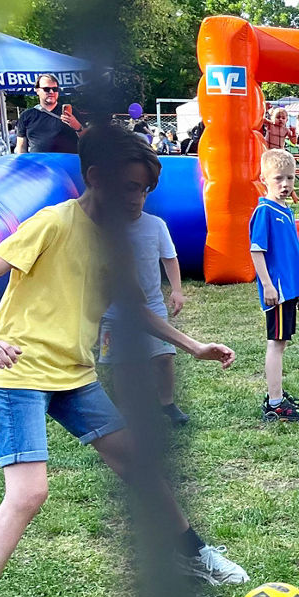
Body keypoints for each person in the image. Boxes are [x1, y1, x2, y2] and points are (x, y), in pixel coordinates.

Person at [0, 125, 251, 597]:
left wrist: (193, 346)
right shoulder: (55, 222)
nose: (138, 200)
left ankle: (190, 552)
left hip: (73, 374)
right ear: (96, 178)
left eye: (145, 190)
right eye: (129, 187)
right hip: (19, 371)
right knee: (27, 495)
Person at [97, 172, 191, 426]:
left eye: (138, 195)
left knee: (164, 357)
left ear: (145, 196)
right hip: (114, 312)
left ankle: (167, 403)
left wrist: (177, 290)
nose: (132, 201)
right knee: (120, 364)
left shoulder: (156, 225)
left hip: (152, 306)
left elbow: (169, 258)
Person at [250, 149, 299, 423]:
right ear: (264, 178)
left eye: (290, 178)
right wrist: (267, 285)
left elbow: (291, 255)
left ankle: (277, 393)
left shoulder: (285, 211)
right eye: (278, 178)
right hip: (276, 292)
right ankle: (275, 404)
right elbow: (257, 250)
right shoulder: (264, 211)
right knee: (275, 343)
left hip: (289, 291)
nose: (285, 184)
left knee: (282, 342)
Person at [15, 75, 82, 154]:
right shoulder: (26, 116)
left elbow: (89, 140)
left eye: (55, 89)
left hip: (67, 161)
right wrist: (24, 161)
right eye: (46, 89)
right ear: (37, 90)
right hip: (38, 161)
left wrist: (78, 127)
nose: (51, 92)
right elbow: (21, 147)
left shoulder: (71, 112)